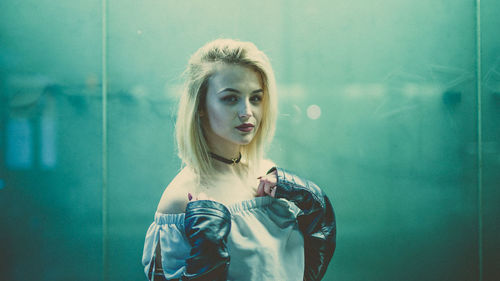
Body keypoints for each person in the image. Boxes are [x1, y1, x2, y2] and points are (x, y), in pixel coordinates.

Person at [142, 39, 336, 281]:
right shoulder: (181, 199)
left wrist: (319, 212)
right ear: (200, 105)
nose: (247, 112)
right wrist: (207, 254)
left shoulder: (269, 175)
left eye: (255, 98)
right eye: (230, 98)